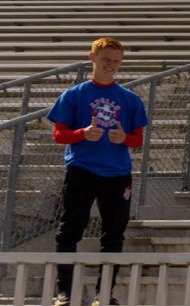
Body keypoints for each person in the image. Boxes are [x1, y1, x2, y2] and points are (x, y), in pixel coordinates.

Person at [47, 37, 149, 305]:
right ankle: (64, 292)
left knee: (114, 234)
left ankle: (104, 294)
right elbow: (58, 134)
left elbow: (138, 139)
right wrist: (82, 133)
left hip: (118, 174)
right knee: (70, 230)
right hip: (82, 169)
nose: (111, 65)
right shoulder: (74, 94)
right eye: (106, 60)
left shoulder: (130, 98)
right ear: (92, 58)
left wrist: (122, 138)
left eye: (116, 61)